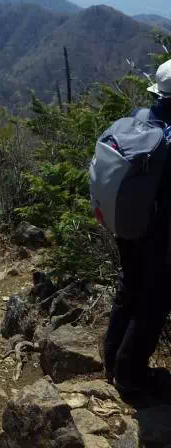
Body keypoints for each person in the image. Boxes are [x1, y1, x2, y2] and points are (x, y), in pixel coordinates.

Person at [103, 58, 171, 397]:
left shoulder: (138, 119)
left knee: (129, 286)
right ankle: (130, 375)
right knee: (154, 299)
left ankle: (111, 358)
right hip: (158, 230)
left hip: (126, 222)